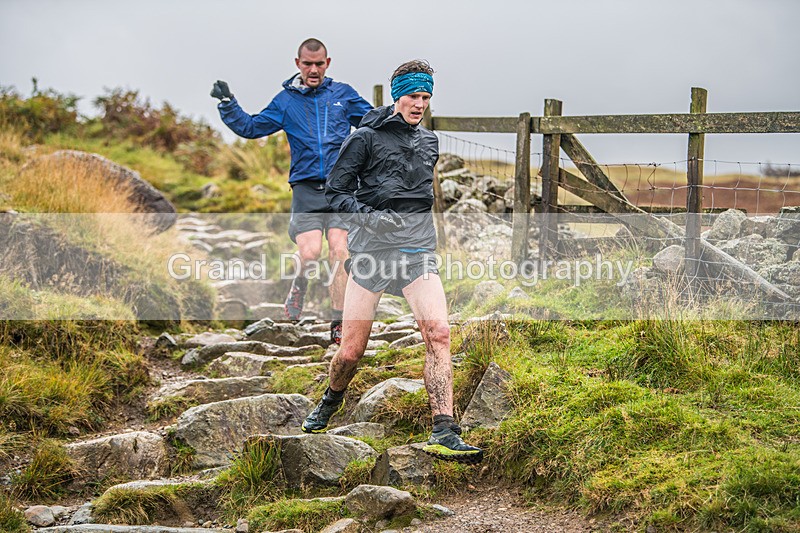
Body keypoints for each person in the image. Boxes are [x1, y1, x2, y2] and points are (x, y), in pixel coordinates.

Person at [301, 60, 483, 464]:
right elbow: (335, 193)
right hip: (372, 253)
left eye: (426, 97)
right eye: (413, 96)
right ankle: (331, 399)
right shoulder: (364, 139)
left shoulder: (430, 142)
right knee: (351, 352)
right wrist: (372, 218)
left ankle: (444, 429)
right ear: (398, 95)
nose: (420, 104)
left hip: (417, 251)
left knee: (439, 333)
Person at [210, 38, 373, 344]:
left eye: (319, 64)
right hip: (305, 187)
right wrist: (228, 103)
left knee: (339, 250)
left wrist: (404, 113)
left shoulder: (343, 95)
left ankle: (338, 325)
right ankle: (299, 285)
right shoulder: (286, 102)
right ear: (298, 64)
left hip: (341, 187)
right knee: (309, 253)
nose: (314, 70)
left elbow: (374, 122)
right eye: (307, 64)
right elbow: (251, 127)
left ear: (328, 63)